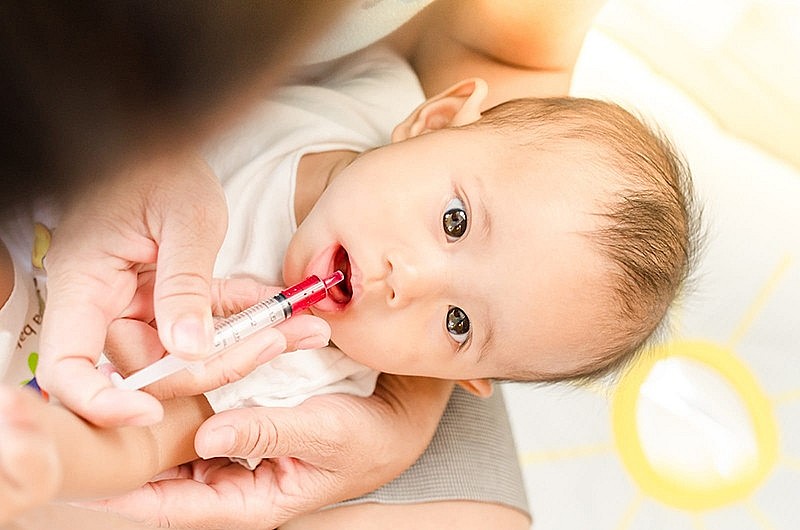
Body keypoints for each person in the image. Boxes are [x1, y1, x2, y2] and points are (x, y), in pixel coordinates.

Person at [0, 35, 699, 524]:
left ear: (460, 380)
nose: (409, 281)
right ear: (432, 118)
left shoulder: (298, 365)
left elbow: (145, 443)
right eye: (454, 221)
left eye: (457, 323)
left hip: (42, 326)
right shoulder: (368, 91)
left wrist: (46, 452)